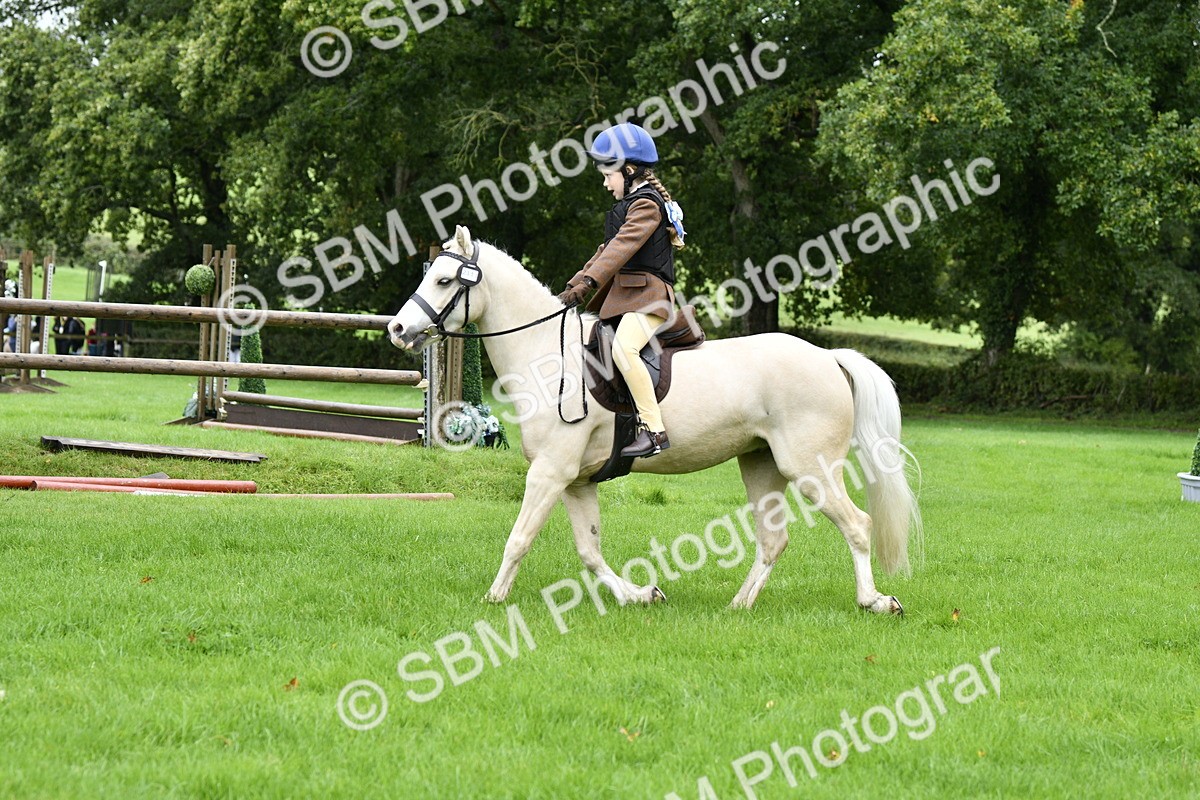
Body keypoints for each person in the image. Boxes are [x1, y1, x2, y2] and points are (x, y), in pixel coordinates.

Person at [557, 122, 687, 458]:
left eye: (608, 175)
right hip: (629, 297)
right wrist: (574, 286)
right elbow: (606, 250)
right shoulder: (630, 203)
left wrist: (589, 283)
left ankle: (655, 432)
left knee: (624, 350)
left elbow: (622, 248)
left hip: (650, 298)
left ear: (628, 170)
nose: (605, 183)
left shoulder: (647, 204)